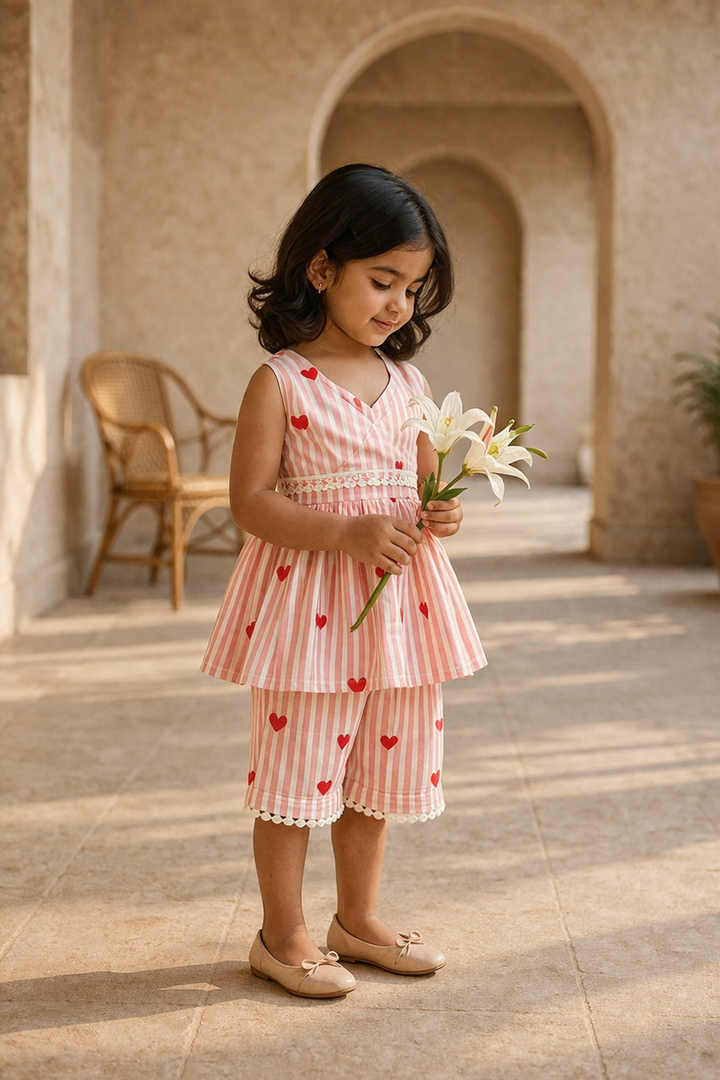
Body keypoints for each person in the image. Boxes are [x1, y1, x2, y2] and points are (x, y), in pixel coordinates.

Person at [201, 163, 487, 999]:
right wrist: (345, 532)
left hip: (400, 612)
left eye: (414, 286)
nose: (399, 304)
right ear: (321, 270)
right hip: (310, 616)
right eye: (382, 280)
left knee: (378, 768)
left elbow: (426, 484)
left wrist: (441, 514)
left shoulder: (412, 385)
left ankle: (356, 917)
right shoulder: (282, 383)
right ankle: (280, 931)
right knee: (298, 772)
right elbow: (250, 503)